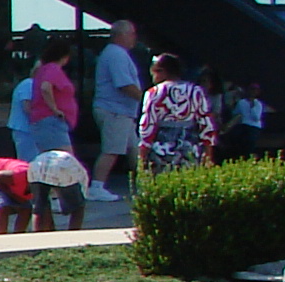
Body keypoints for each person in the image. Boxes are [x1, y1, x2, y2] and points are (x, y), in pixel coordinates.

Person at [135, 52, 215, 176]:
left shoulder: (154, 93)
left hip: (161, 148)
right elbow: (206, 123)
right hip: (190, 146)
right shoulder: (196, 91)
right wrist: (208, 151)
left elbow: (147, 124)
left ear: (161, 71)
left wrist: (143, 152)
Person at [87, 19, 141, 200]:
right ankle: (96, 186)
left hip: (122, 111)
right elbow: (124, 84)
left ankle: (145, 183)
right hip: (115, 110)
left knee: (136, 149)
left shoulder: (116, 53)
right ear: (121, 35)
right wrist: (149, 98)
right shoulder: (116, 54)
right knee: (112, 149)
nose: (134, 37)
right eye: (131, 33)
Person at [22, 37, 78, 157]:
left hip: (44, 122)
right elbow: (45, 87)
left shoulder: (43, 69)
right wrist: (55, 109)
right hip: (51, 121)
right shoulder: (53, 68)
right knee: (65, 160)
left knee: (49, 160)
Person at [25, 144, 88, 231]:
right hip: (62, 167)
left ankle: (39, 234)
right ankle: (73, 233)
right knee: (78, 207)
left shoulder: (77, 169)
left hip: (37, 166)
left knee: (39, 207)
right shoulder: (80, 175)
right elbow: (78, 198)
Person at [0, 153, 36, 235]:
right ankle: (2, 236)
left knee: (26, 207)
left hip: (8, 179)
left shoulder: (38, 184)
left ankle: (19, 235)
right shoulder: (20, 174)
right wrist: (12, 195)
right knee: (3, 205)